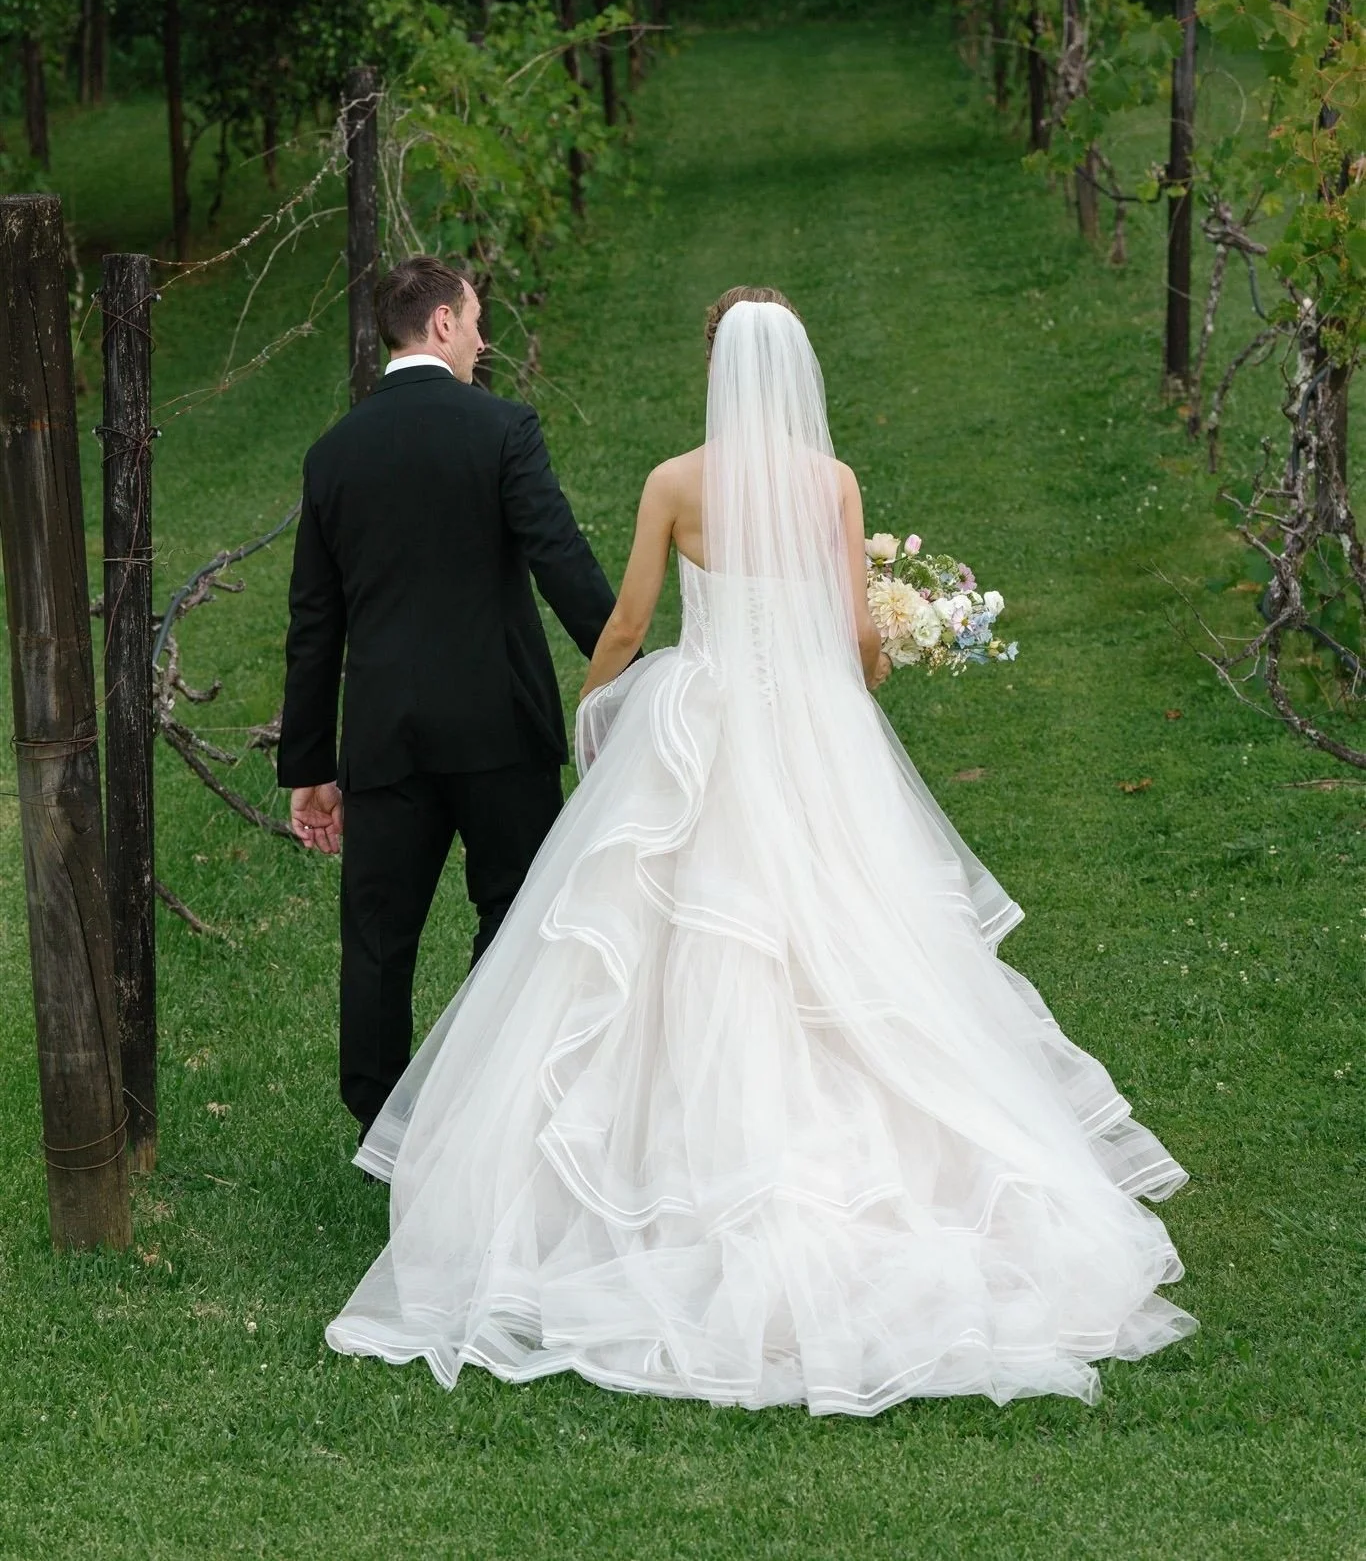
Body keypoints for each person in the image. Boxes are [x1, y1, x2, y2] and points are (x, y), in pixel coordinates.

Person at [325, 287, 1196, 1412]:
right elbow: (854, 639)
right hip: (810, 736)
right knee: (850, 930)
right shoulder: (829, 484)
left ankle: (645, 1168)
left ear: (713, 369)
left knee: (665, 941)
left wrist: (601, 712)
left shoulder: (675, 484)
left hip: (705, 718)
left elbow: (631, 622)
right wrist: (872, 661)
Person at [277, 256, 617, 1150]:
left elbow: (314, 624)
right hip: (502, 728)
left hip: (385, 738)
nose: (481, 338)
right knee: (514, 916)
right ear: (438, 326)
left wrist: (310, 766)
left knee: (379, 938)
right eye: (472, 322)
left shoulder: (333, 455)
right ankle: (487, 1106)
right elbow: (562, 563)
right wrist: (630, 667)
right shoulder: (502, 428)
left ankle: (381, 1128)